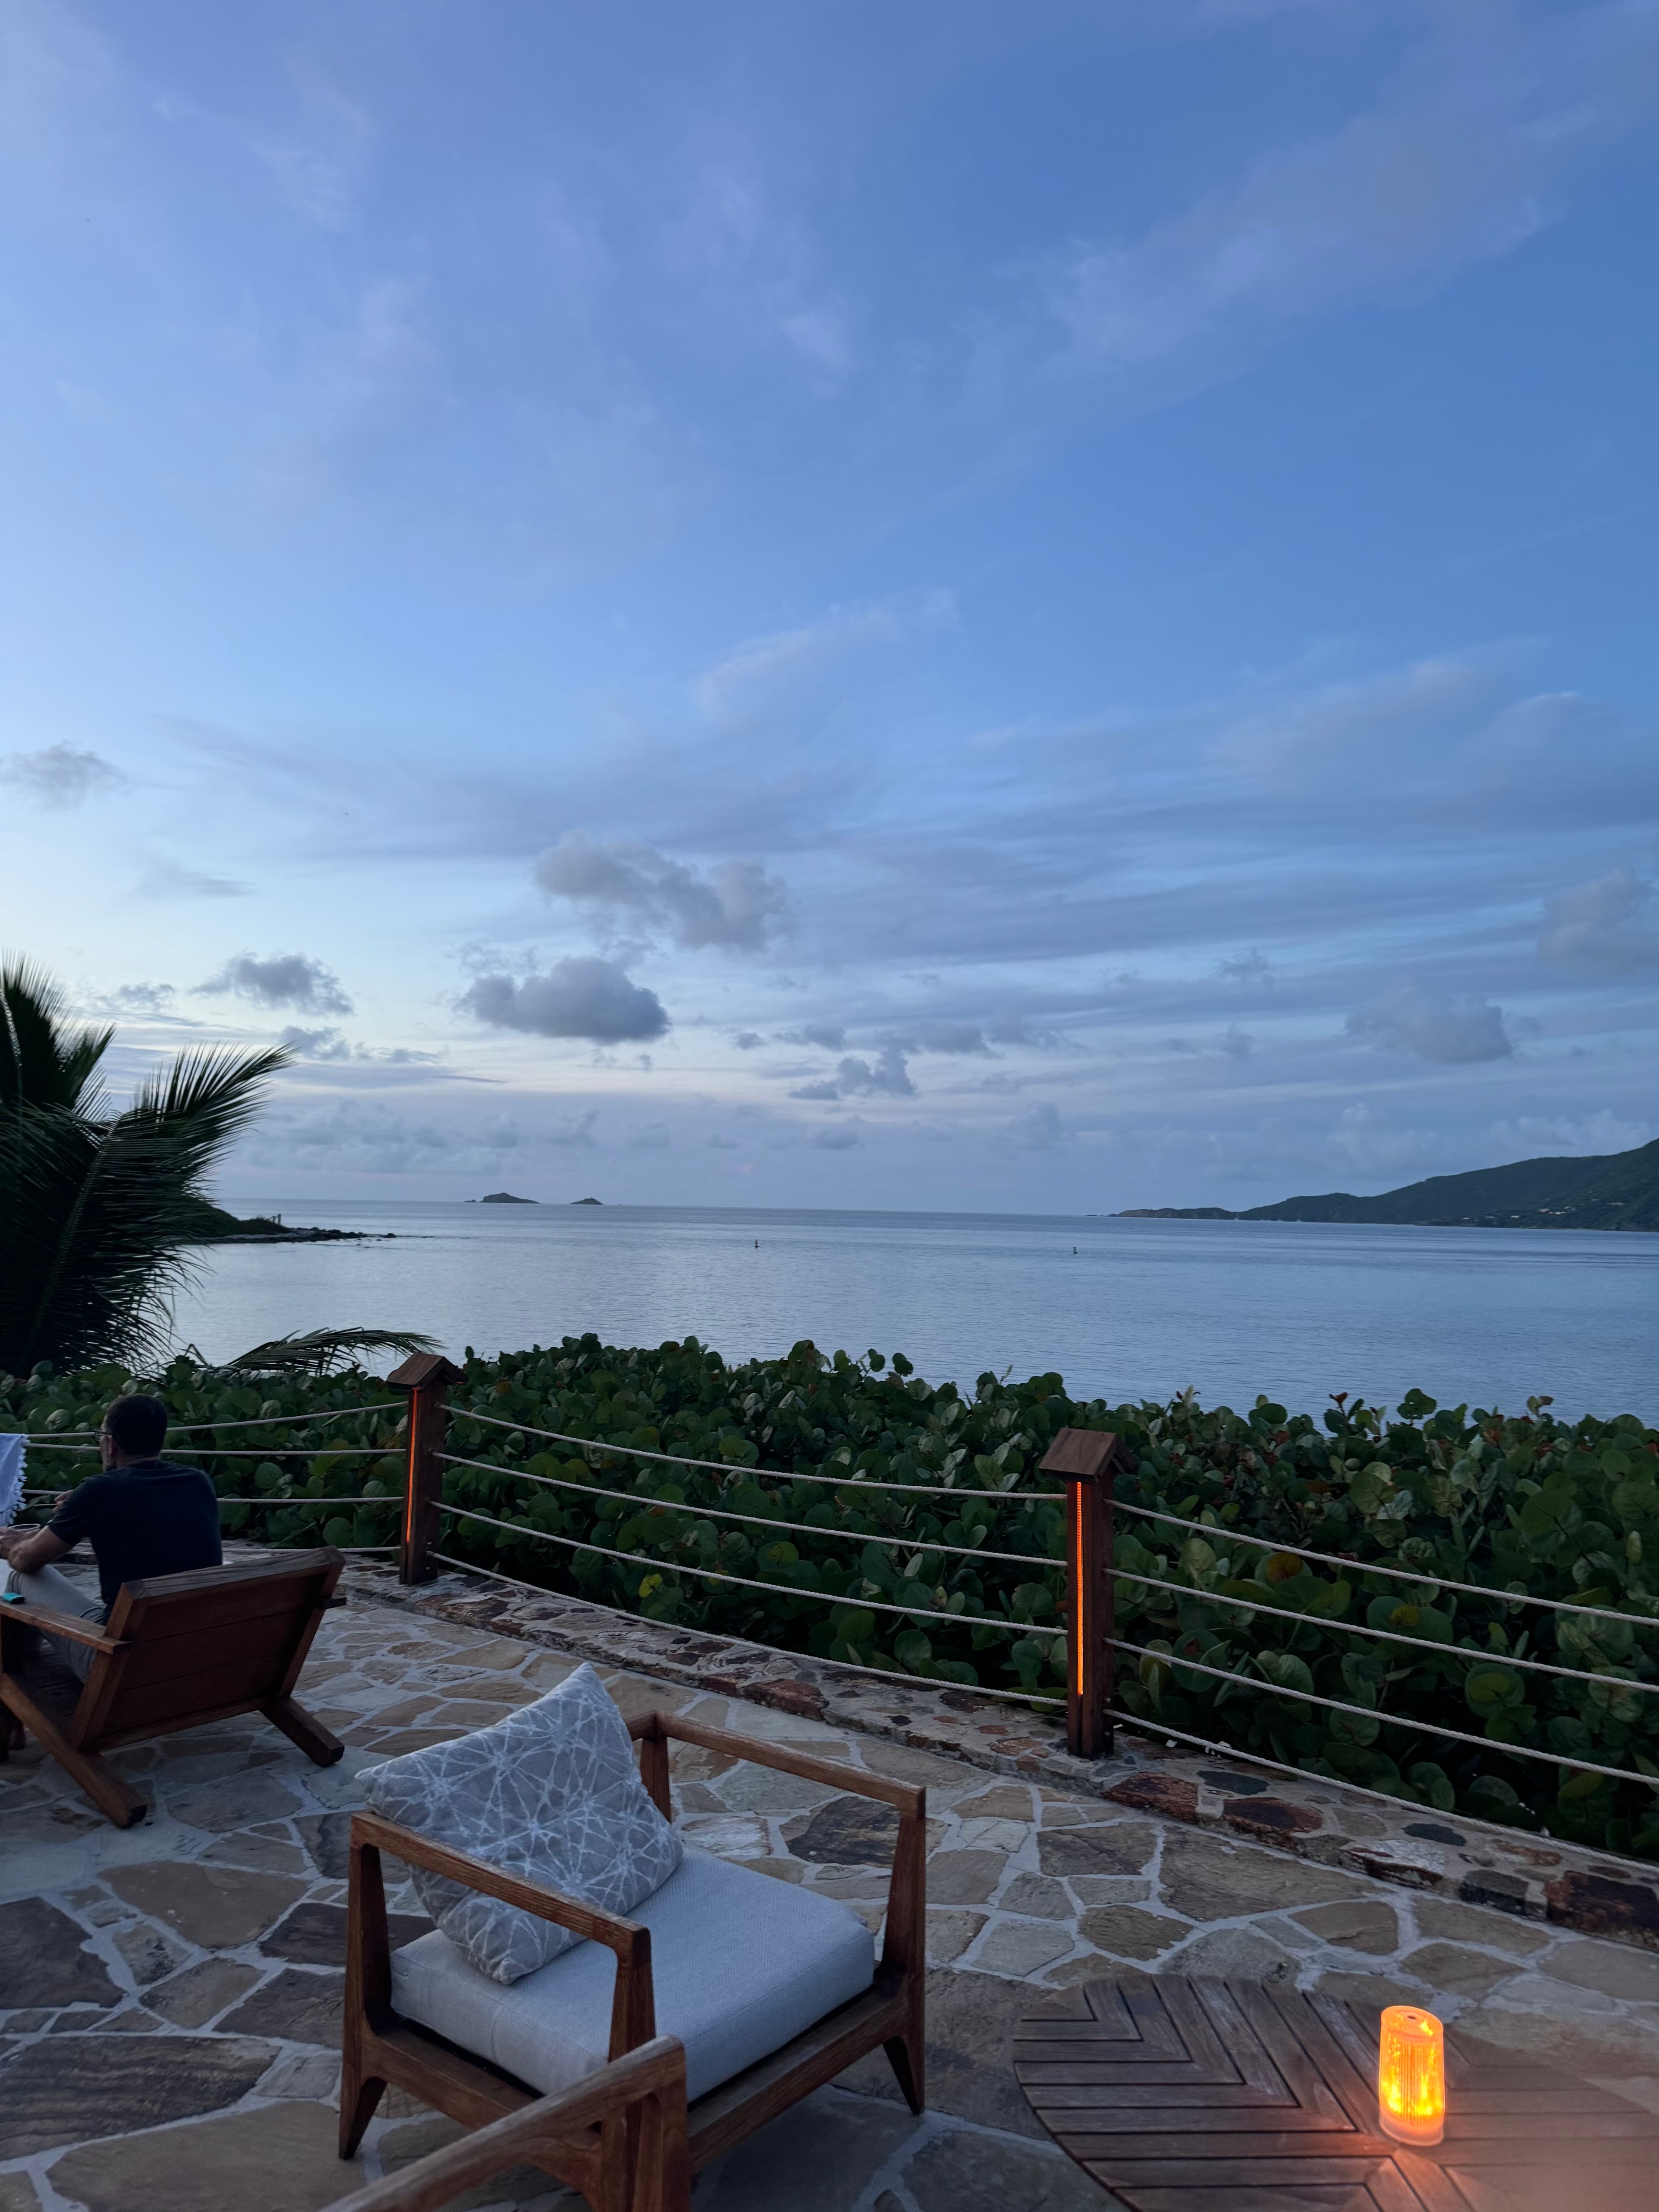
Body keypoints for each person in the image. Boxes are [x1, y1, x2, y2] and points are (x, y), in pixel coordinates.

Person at [0, 1394, 221, 1680]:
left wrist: (10, 1545)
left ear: (111, 1443)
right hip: (193, 1657)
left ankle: (18, 1692)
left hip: (122, 1669)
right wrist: (79, 1512)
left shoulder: (98, 1492)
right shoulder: (198, 1482)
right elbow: (141, 1514)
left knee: (20, 1580)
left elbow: (25, 1560)